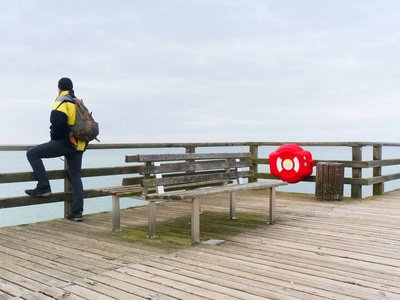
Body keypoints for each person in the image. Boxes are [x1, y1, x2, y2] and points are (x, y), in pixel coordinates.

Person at [25, 77, 86, 222]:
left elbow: (57, 122)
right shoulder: (78, 101)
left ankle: (44, 187)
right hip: (79, 144)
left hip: (66, 142)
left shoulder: (62, 100)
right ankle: (77, 213)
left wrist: (55, 141)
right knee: (75, 176)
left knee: (32, 153)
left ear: (59, 88)